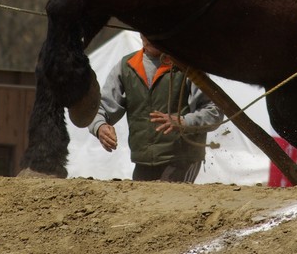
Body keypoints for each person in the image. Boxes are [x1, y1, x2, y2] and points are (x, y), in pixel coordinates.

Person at [89, 34, 222, 182]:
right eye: (145, 31)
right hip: (143, 161)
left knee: (168, 200)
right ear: (140, 33)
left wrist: (184, 122)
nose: (151, 36)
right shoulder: (126, 66)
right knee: (140, 203)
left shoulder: (186, 65)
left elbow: (214, 111)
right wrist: (100, 126)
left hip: (182, 159)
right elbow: (100, 108)